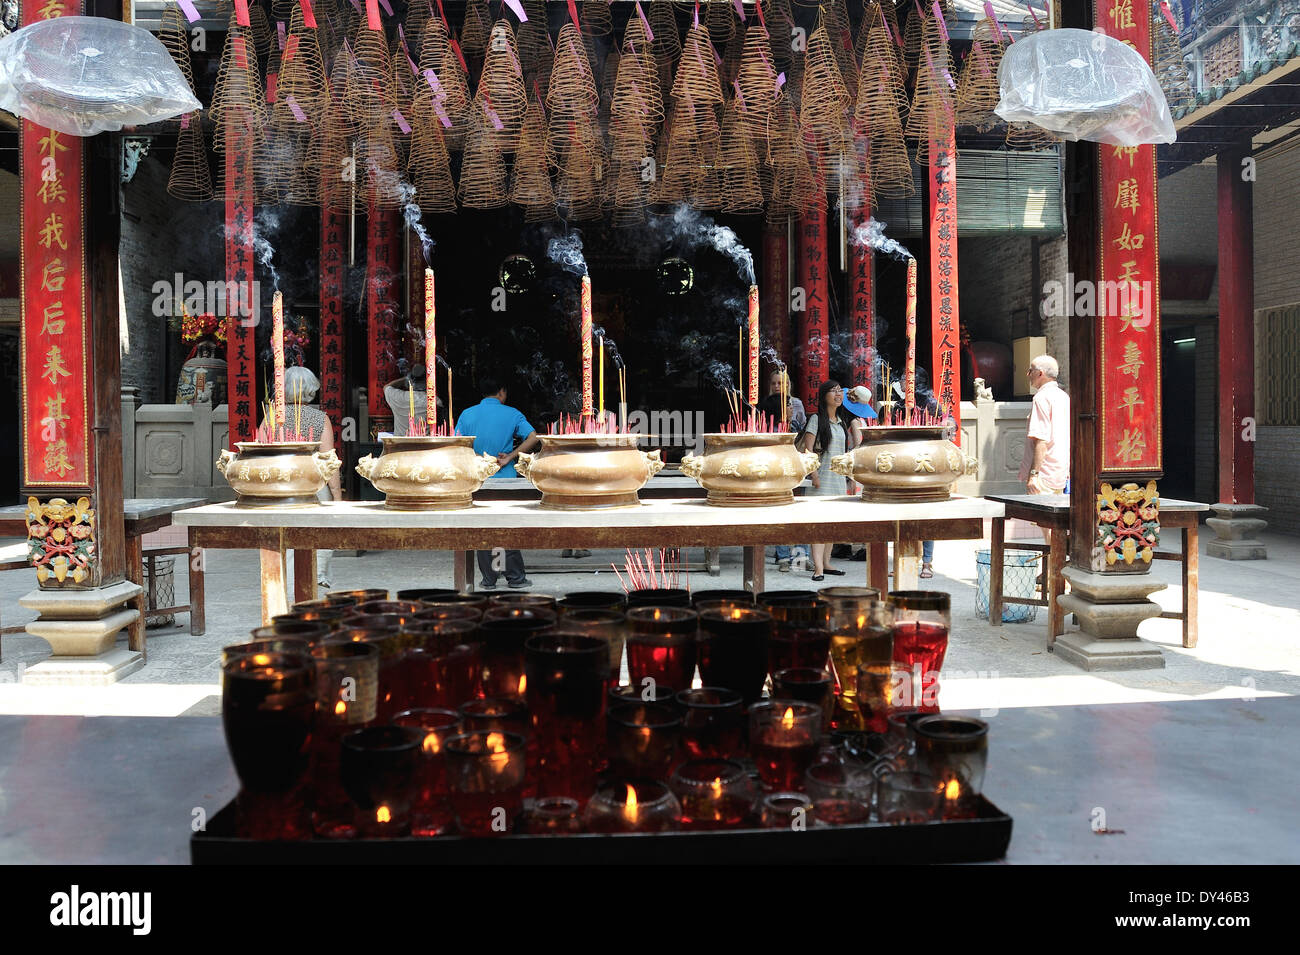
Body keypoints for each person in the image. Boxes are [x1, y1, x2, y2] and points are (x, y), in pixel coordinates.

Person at [456, 375, 541, 589]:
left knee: (484, 529)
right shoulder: (512, 413)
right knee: (507, 527)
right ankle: (515, 578)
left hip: (478, 479)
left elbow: (456, 443)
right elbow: (533, 437)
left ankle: (489, 579)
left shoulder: (467, 414)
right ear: (501, 392)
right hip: (505, 479)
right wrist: (511, 456)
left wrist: (475, 459)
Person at [261, 365, 342, 589]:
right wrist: (336, 494)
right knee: (320, 530)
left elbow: (260, 452)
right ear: (311, 390)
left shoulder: (271, 417)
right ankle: (317, 575)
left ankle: (283, 577)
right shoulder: (319, 419)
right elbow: (328, 460)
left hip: (279, 485)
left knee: (283, 532)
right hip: (312, 485)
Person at [797, 380, 858, 581]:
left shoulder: (841, 422)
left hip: (838, 479)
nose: (838, 394)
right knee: (818, 524)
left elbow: (845, 453)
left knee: (831, 524)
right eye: (833, 391)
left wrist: (849, 477)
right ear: (824, 396)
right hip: (821, 479)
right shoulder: (816, 419)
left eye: (840, 391)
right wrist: (813, 475)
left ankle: (827, 562)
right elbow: (808, 450)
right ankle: (818, 568)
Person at [383, 364, 430, 435]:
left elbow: (386, 387)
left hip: (400, 443)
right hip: (423, 443)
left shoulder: (398, 397)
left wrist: (405, 379)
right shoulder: (431, 400)